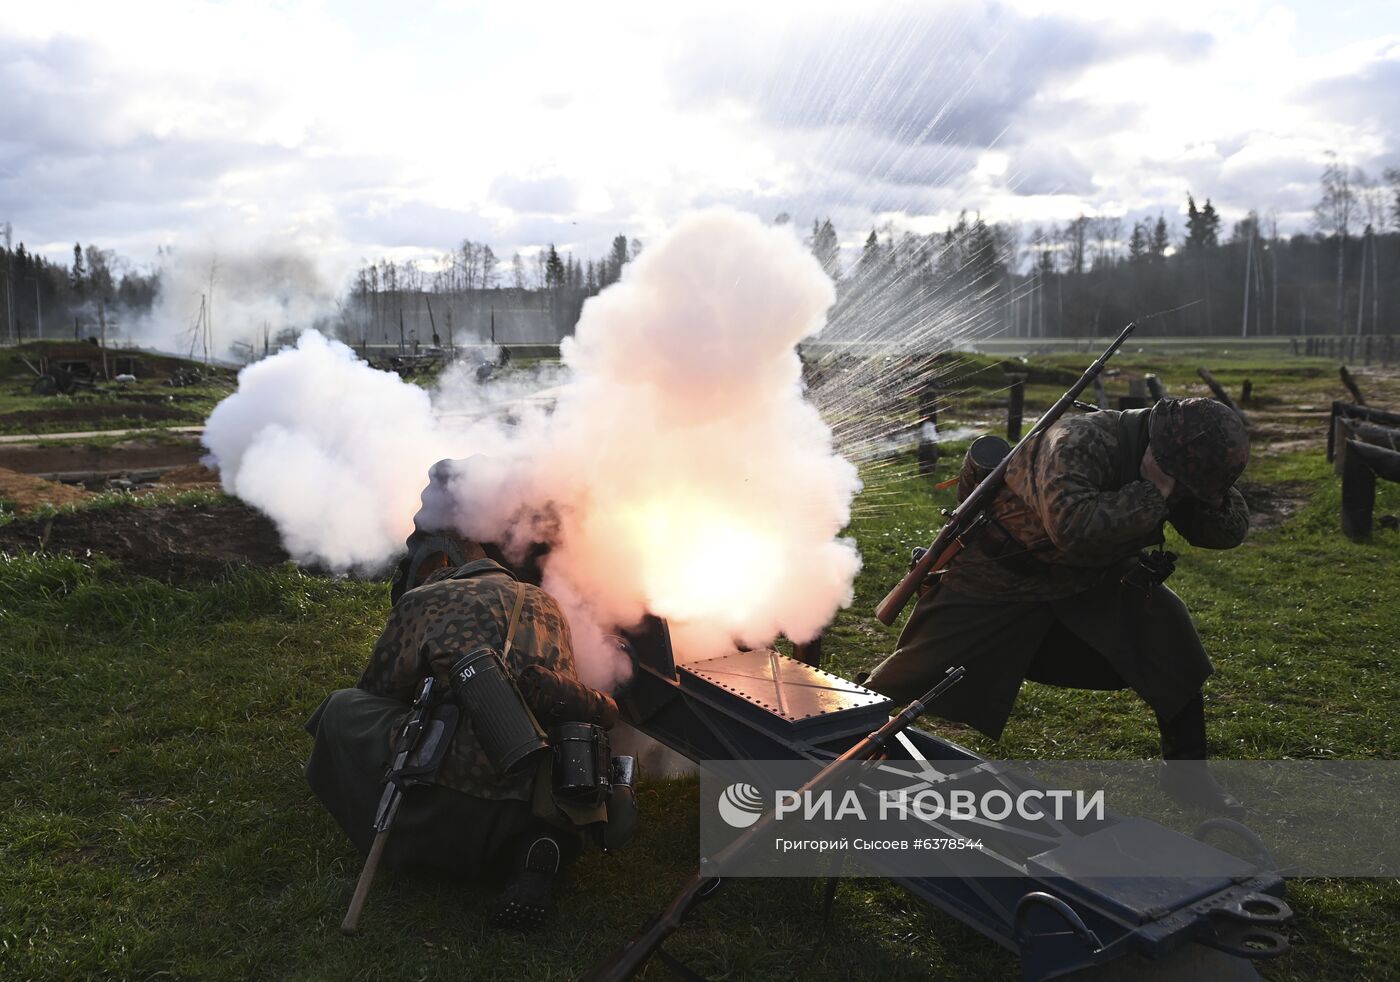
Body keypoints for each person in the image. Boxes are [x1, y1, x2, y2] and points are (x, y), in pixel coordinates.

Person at [865, 397, 1251, 813]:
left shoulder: (1176, 458)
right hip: (1000, 578)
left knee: (1169, 634)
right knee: (911, 675)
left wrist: (1207, 499)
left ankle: (1187, 776)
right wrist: (1153, 492)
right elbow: (1075, 528)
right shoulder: (1077, 442)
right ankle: (838, 735)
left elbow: (1224, 534)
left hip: (1089, 579)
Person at [305, 539, 594, 926]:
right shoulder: (550, 606)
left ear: (446, 567)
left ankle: (407, 830)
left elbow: (379, 689)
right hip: (525, 802)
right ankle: (535, 850)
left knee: (342, 707)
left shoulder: (426, 599)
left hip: (441, 802)